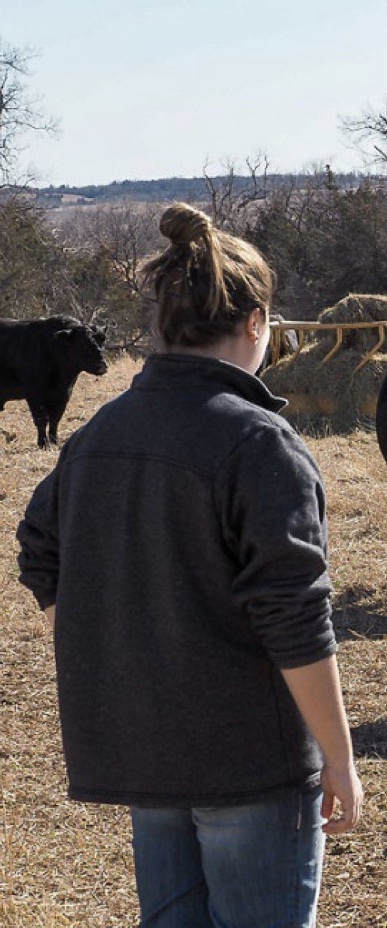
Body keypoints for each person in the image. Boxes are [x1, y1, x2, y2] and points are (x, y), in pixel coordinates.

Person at [16, 202, 363, 927]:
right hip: (251, 765)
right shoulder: (261, 443)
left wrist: (124, 652)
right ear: (257, 322)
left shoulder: (98, 434)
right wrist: (339, 756)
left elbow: (38, 547)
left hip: (144, 752)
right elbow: (294, 615)